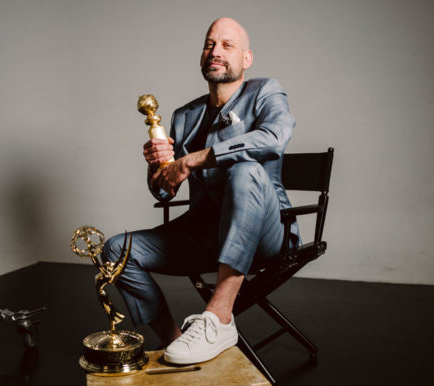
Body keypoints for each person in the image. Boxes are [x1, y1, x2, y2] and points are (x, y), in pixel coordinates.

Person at [101, 16, 298, 365]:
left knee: (246, 170)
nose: (216, 51)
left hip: (266, 235)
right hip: (206, 235)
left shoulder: (265, 91)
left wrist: (192, 160)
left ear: (246, 58)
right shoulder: (184, 115)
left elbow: (274, 139)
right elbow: (163, 193)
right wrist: (159, 168)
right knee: (116, 250)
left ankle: (219, 317)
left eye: (227, 45)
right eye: (209, 44)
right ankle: (177, 344)